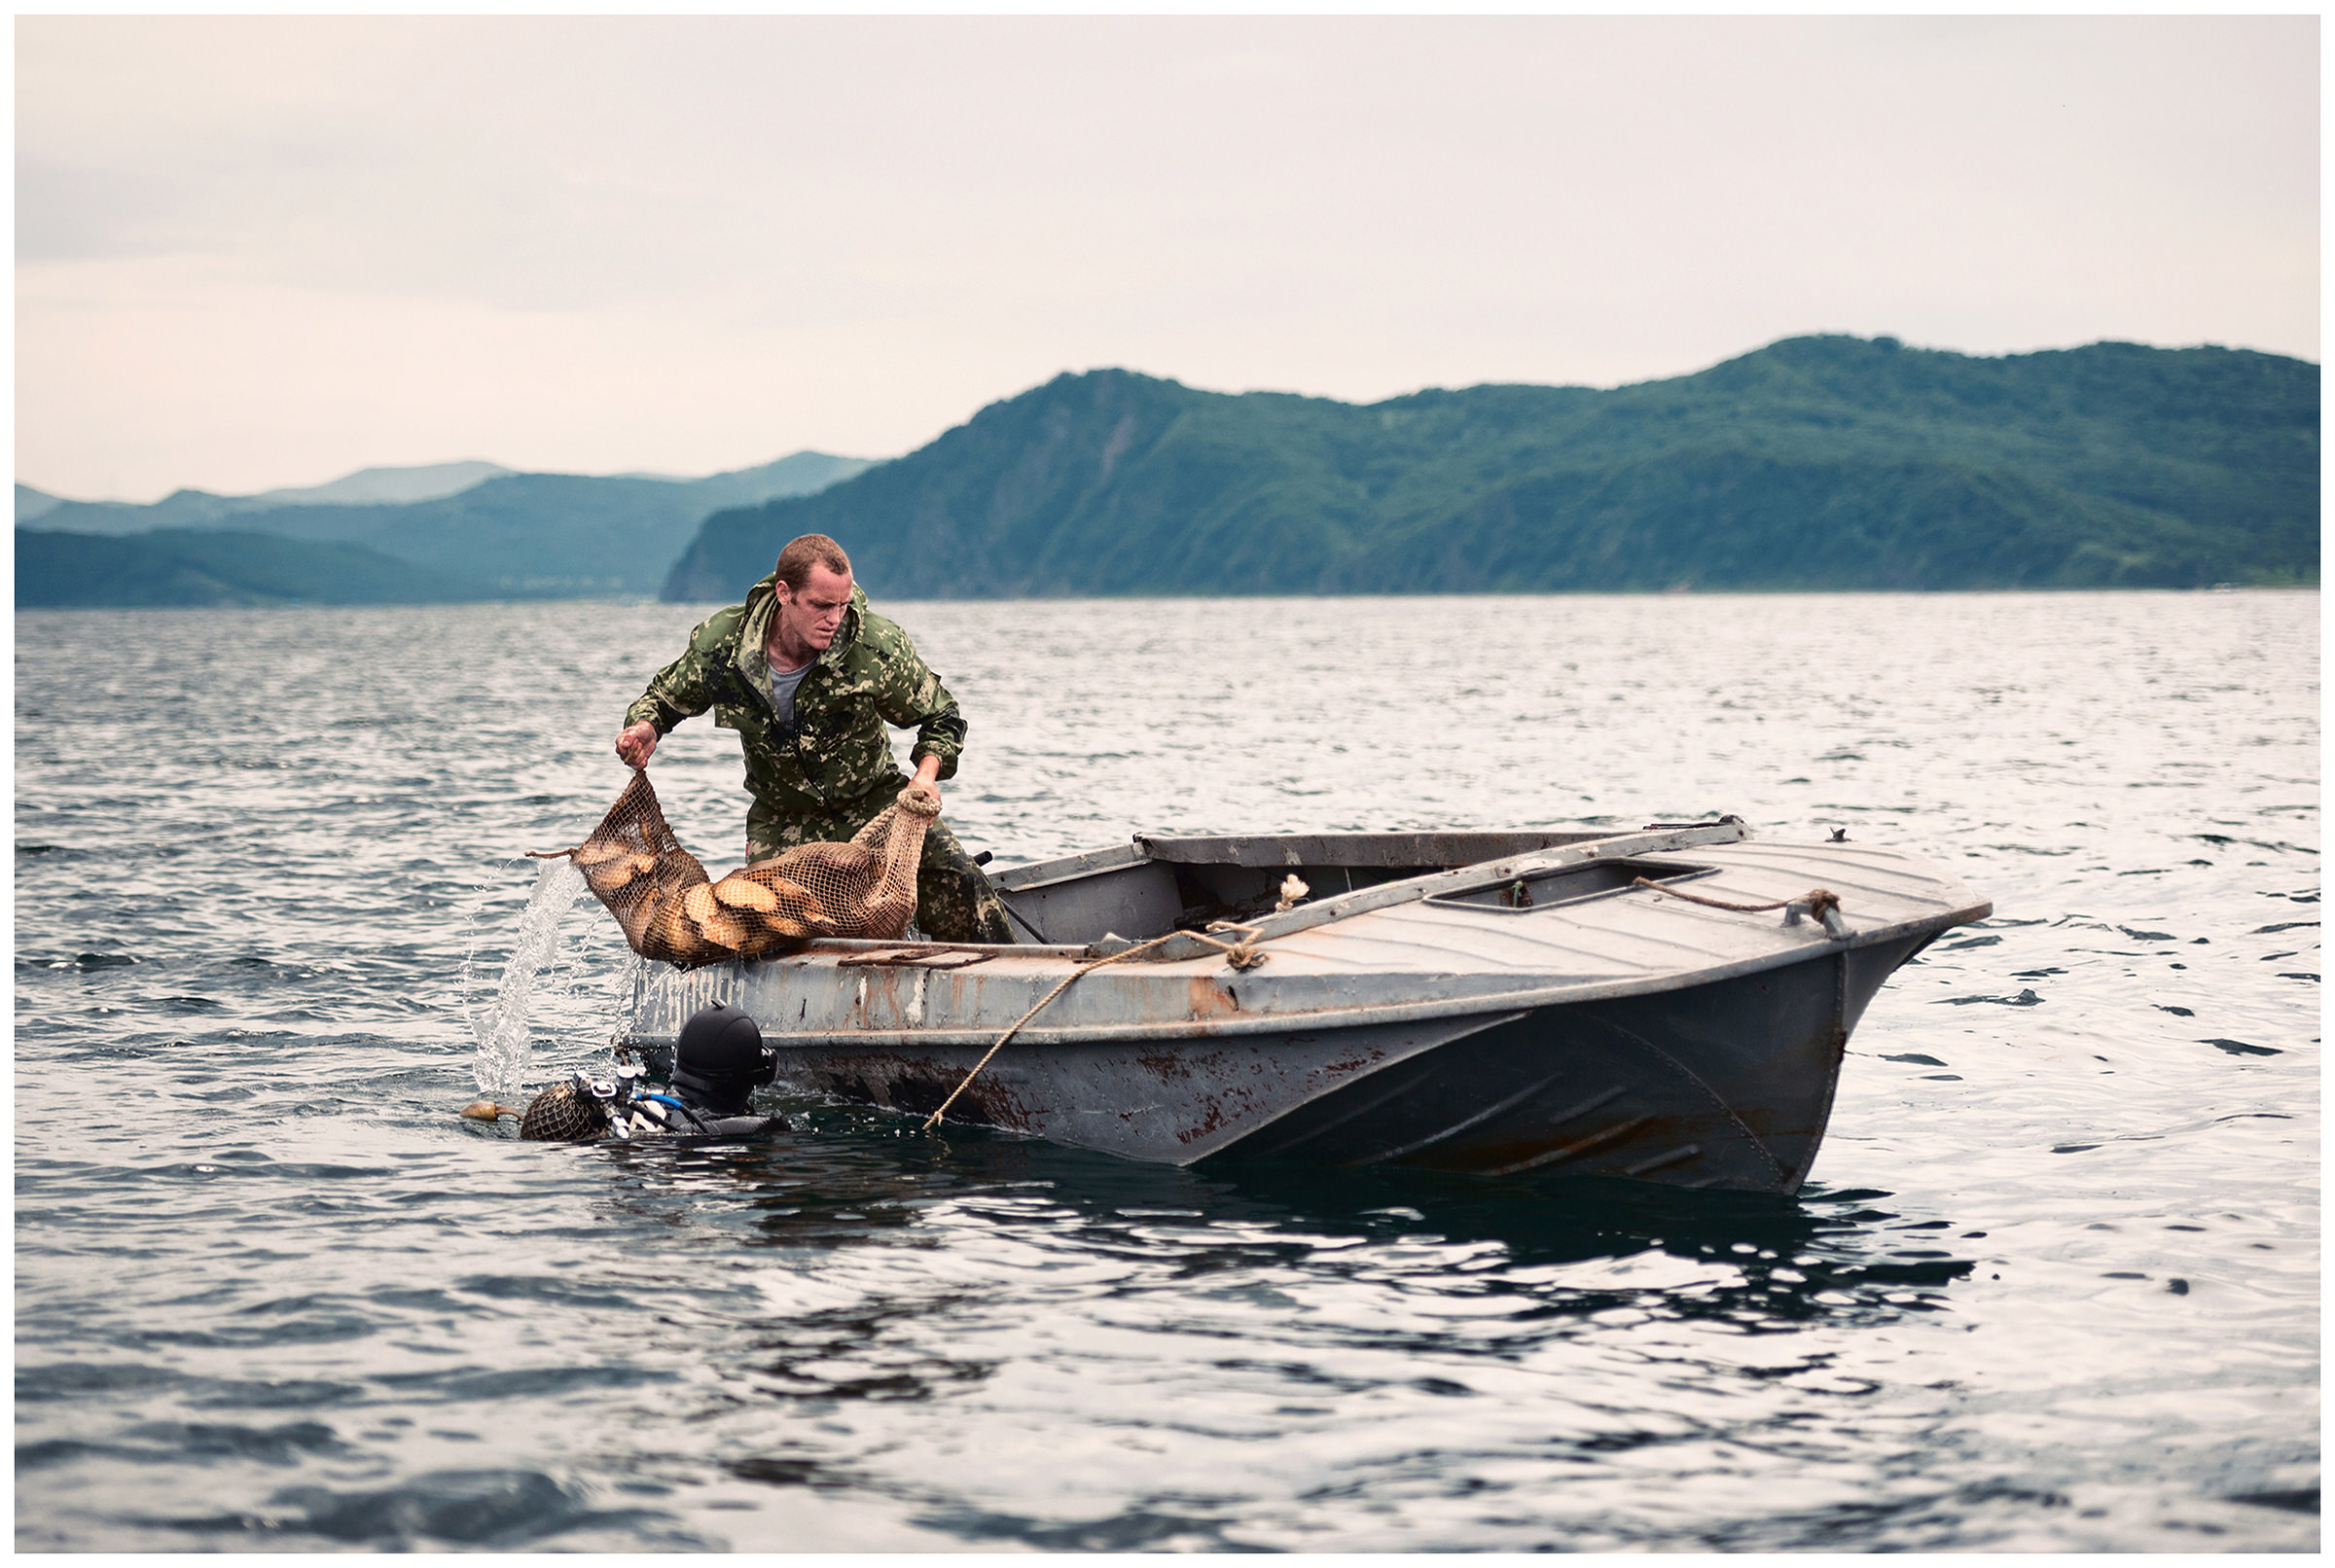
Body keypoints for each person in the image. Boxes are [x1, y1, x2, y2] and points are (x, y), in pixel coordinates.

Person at [614, 533, 1013, 944]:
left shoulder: (874, 646)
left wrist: (925, 776)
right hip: (783, 819)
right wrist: (646, 728)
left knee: (963, 885)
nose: (835, 618)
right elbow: (663, 699)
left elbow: (942, 715)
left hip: (874, 805)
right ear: (784, 593)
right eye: (822, 605)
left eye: (842, 605)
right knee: (760, 931)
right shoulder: (723, 646)